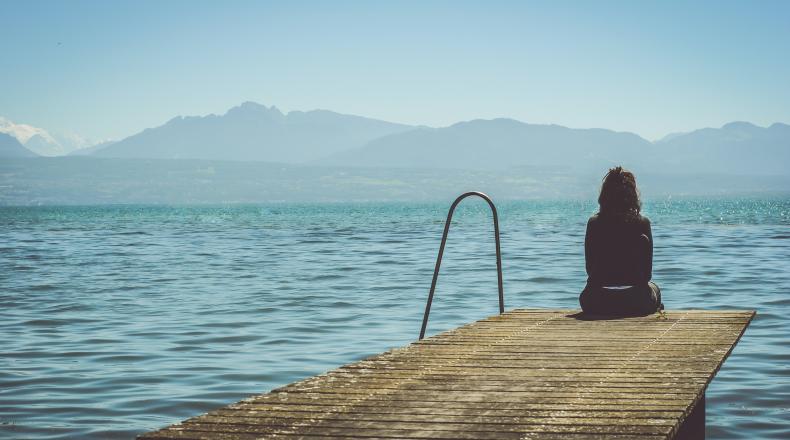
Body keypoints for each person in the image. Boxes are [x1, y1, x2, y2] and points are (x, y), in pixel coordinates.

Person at [579, 166, 663, 316]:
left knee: (586, 294)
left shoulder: (594, 224)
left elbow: (590, 270)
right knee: (655, 288)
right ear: (632, 196)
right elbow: (647, 275)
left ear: (604, 196)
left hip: (597, 301)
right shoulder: (643, 223)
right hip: (637, 301)